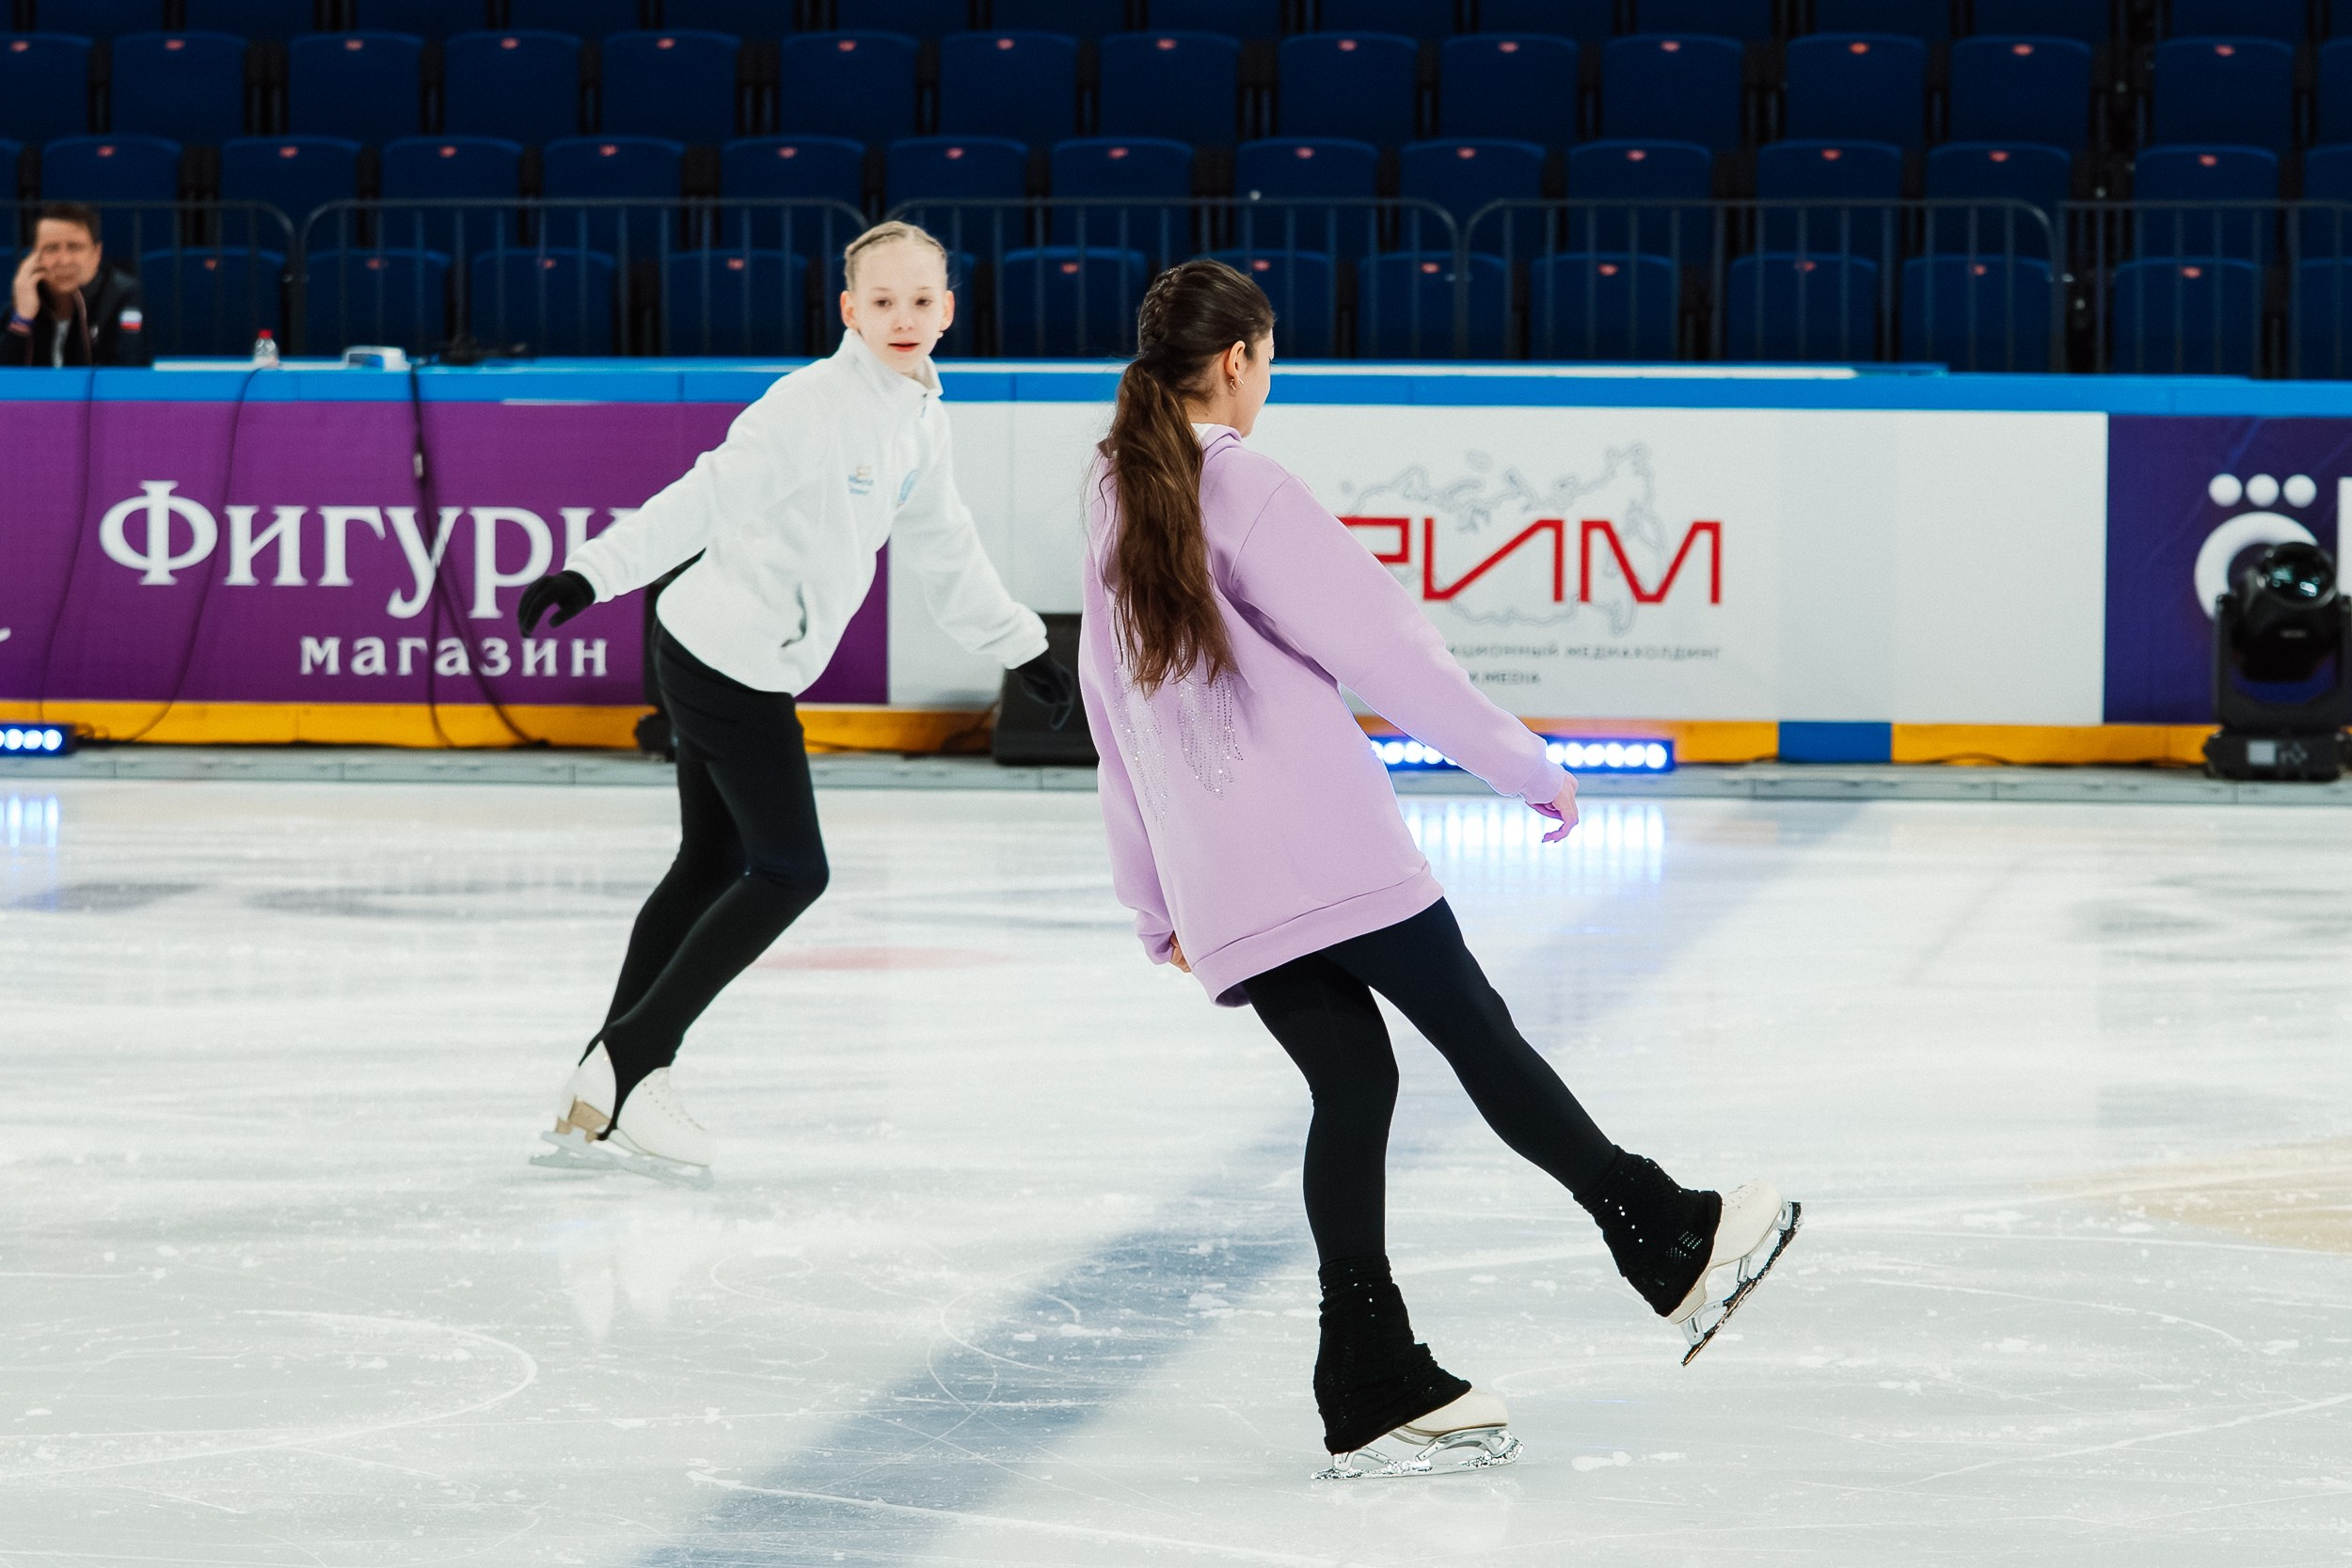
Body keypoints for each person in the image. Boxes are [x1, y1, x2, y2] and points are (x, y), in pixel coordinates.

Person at [1074, 260, 1802, 1480]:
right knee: (1478, 1031)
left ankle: (1368, 1374)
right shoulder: (1240, 480)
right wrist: (1524, 765)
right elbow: (1386, 646)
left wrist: (1155, 902)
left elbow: (1110, 713)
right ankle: (1666, 1238)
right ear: (1243, 358)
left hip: (1221, 872)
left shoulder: (1109, 489)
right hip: (1325, 840)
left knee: (1354, 1083)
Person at [517, 220, 1076, 1187]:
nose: (903, 318)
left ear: (947, 308)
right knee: (789, 870)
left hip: (735, 652)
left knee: (708, 861)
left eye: (921, 300)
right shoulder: (809, 405)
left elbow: (946, 548)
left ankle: (601, 1079)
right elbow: (707, 496)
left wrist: (1023, 645)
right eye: (883, 302)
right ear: (850, 311)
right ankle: (630, 1061)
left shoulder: (919, 416)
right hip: (724, 654)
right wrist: (588, 573)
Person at [6, 203, 151, 369]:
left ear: (96, 254)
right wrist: (23, 318)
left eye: (74, 247)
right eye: (51, 248)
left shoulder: (123, 296)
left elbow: (128, 372)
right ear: (34, 257)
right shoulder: (25, 300)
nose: (64, 260)